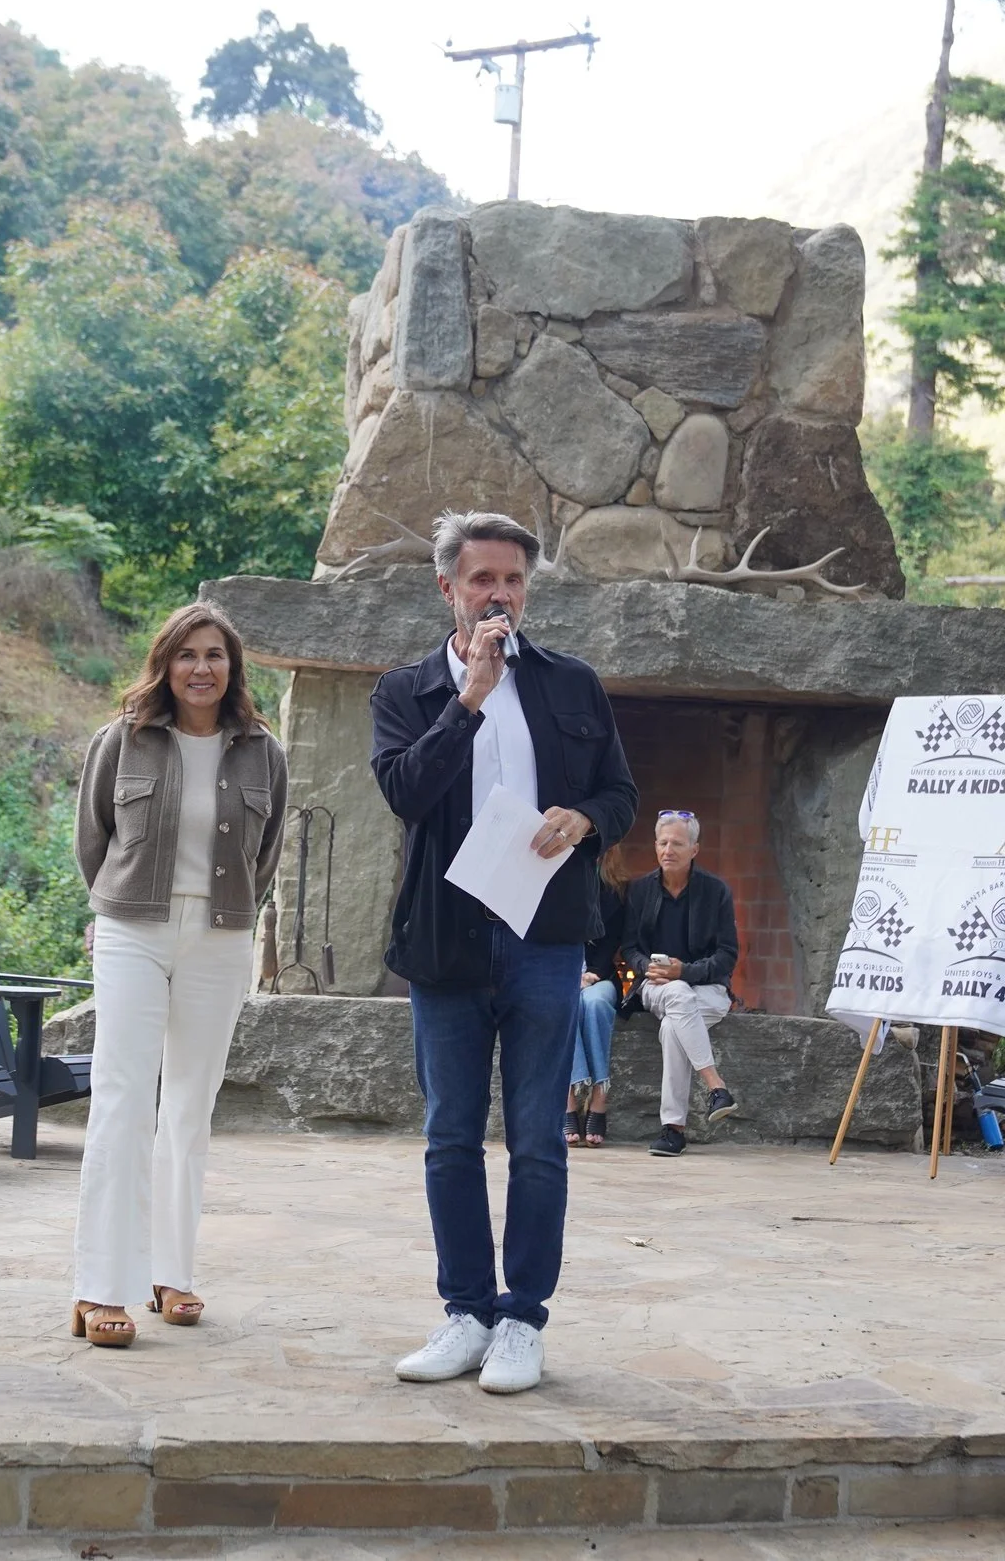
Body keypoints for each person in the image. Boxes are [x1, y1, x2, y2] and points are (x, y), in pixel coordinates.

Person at [372, 511, 637, 1395]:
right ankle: (465, 1310)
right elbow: (408, 794)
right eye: (483, 579)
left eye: (514, 580)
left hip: (544, 938)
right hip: (446, 940)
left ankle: (522, 1316)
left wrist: (586, 818)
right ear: (447, 588)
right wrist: (469, 700)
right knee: (451, 1135)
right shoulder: (405, 691)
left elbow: (621, 793)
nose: (500, 595)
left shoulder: (572, 683)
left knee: (537, 1138)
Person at [70, 602, 287, 1350]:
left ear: (233, 669)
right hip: (132, 929)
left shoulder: (264, 752)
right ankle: (101, 1286)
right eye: (187, 654)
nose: (202, 667)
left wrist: (220, 910)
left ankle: (172, 1271)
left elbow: (267, 857)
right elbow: (91, 839)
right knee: (123, 1099)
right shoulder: (121, 739)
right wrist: (128, 906)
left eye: (215, 655)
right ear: (165, 663)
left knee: (190, 1108)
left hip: (220, 937)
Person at [621, 809, 741, 1158]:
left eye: (677, 843)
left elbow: (727, 954)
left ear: (694, 849)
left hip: (708, 989)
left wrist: (684, 972)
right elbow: (629, 947)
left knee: (674, 1027)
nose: (668, 850)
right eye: (662, 842)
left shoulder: (716, 891)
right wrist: (647, 967)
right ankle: (715, 1086)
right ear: (655, 846)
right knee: (675, 994)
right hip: (656, 985)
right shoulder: (641, 890)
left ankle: (673, 1131)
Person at [567, 853, 630, 1148]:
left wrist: (592, 973)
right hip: (559, 976)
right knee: (564, 1004)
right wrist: (568, 977)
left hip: (599, 977)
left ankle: (598, 1098)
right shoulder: (551, 880)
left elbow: (612, 940)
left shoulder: (614, 889)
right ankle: (567, 1100)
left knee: (594, 1003)